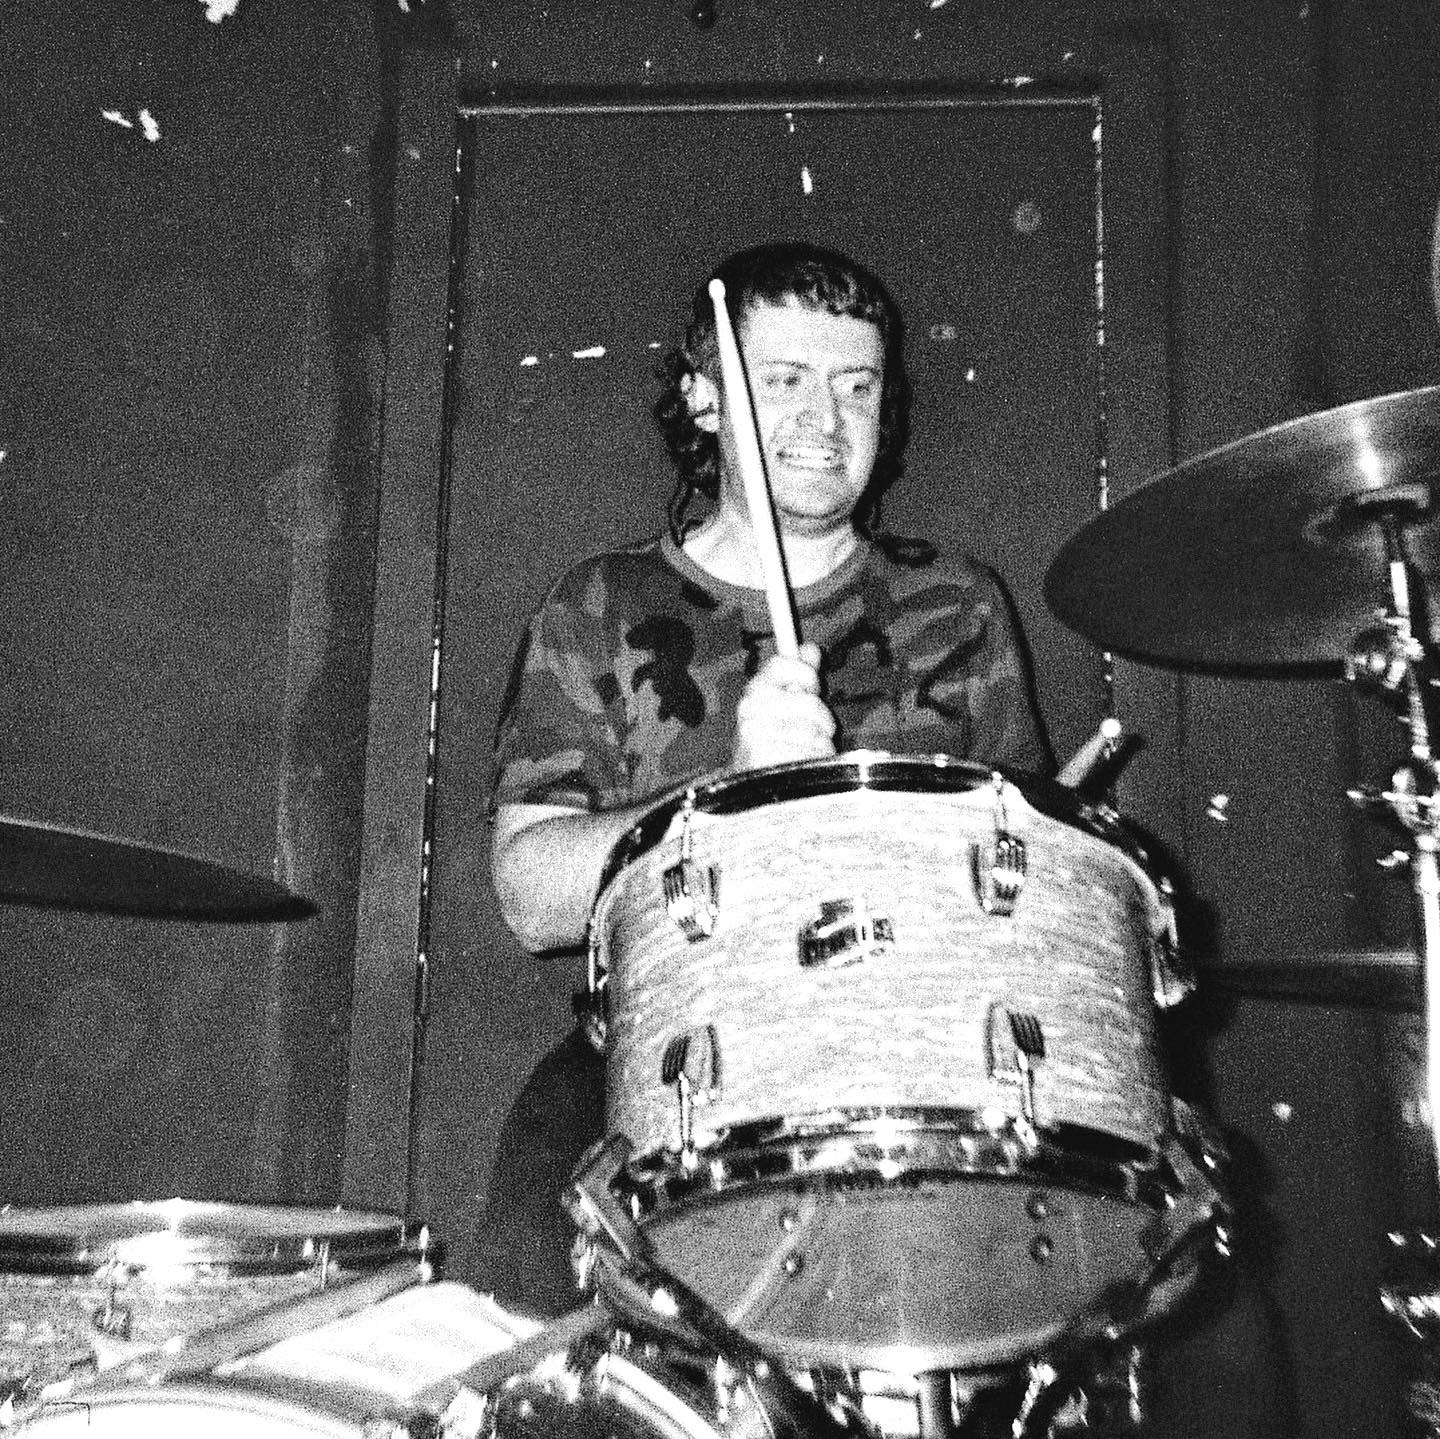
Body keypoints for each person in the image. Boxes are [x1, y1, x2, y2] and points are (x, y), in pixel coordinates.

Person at [490, 239, 1051, 958]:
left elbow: (1031, 873)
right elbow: (532, 903)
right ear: (704, 398)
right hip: (696, 1019)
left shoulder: (957, 601)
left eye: (857, 387)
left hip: (924, 1012)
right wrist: (732, 792)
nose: (827, 419)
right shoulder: (600, 603)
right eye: (786, 381)